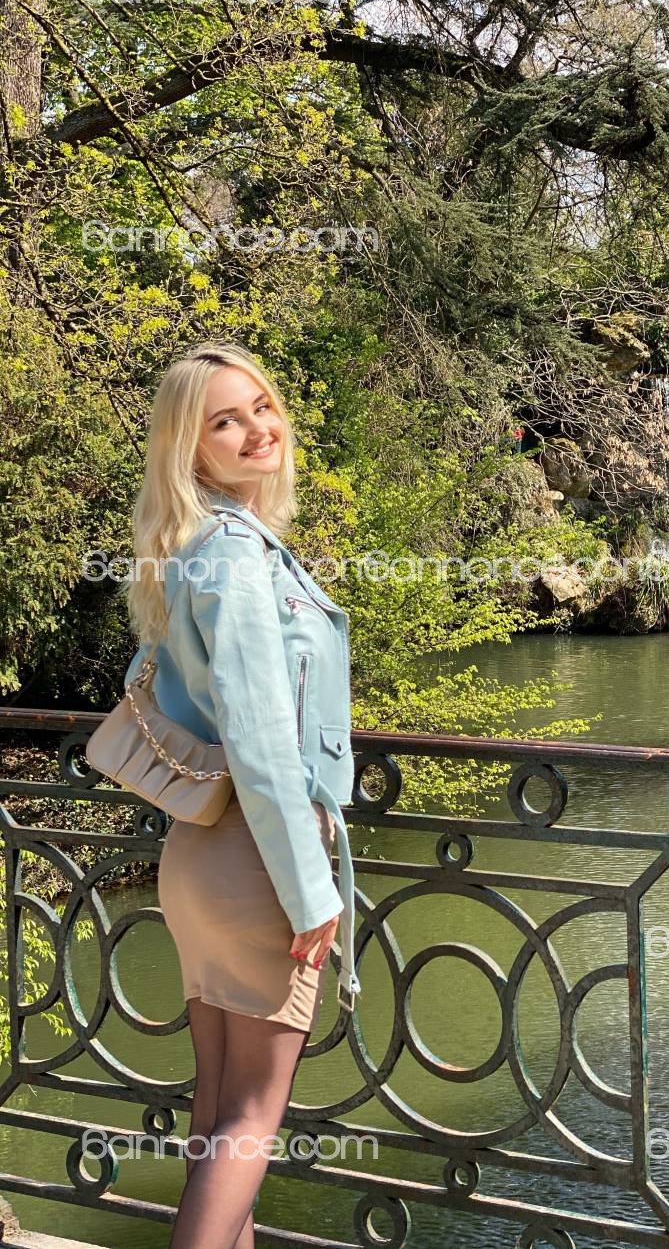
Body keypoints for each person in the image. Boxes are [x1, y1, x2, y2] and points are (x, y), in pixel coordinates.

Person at [121, 341, 360, 1247]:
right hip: (258, 861)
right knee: (252, 1117)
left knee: (220, 1111)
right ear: (191, 448)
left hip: (199, 855)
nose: (258, 428)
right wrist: (311, 889)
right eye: (225, 419)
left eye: (261, 406)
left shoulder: (194, 547)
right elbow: (261, 742)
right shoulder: (235, 554)